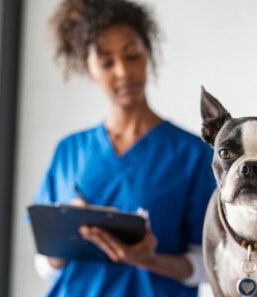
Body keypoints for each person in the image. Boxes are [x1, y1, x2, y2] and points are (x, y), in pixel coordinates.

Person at [31, 0, 215, 296]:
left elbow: (208, 265)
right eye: (106, 62)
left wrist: (149, 260)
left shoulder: (192, 154)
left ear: (148, 55)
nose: (123, 71)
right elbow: (45, 265)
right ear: (89, 68)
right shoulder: (69, 151)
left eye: (132, 55)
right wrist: (66, 234)